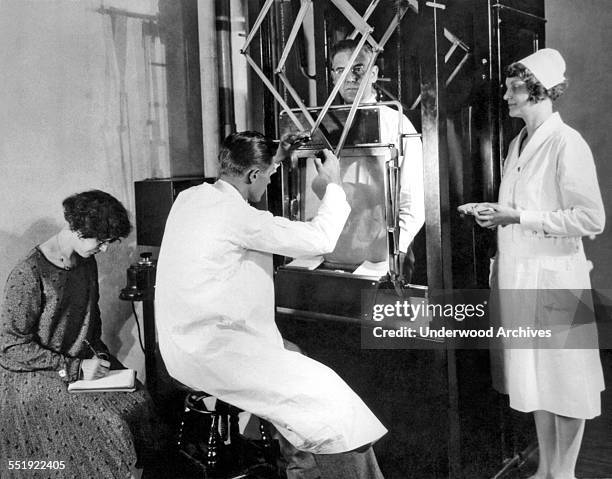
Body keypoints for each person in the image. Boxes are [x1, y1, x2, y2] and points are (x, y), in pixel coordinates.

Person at [155, 131, 387, 479]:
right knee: (335, 405)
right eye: (267, 175)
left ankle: (302, 471)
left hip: (183, 349)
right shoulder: (240, 217)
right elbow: (320, 240)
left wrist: (274, 157)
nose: (269, 180)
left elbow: (243, 192)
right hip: (218, 354)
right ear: (252, 175)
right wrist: (334, 186)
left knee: (297, 361)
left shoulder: (190, 198)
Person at [463, 48, 605, 479]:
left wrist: (517, 217)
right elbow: (521, 208)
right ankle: (546, 469)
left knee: (569, 383)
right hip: (522, 276)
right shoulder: (518, 143)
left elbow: (590, 218)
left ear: (540, 91)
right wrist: (495, 211)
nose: (505, 95)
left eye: (514, 88)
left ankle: (565, 474)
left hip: (558, 281)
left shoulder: (567, 142)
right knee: (537, 381)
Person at [0, 190, 160, 478]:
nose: (106, 249)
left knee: (140, 397)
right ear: (76, 229)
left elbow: (90, 322)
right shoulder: (29, 273)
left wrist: (97, 355)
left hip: (78, 362)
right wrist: (73, 368)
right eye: (102, 241)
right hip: (33, 373)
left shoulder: (86, 261)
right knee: (109, 422)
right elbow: (10, 348)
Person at [329, 39, 425, 279]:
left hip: (386, 252)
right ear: (332, 77)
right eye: (340, 70)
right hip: (338, 251)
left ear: (373, 74)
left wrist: (395, 253)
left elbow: (412, 202)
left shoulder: (397, 123)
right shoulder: (327, 125)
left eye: (358, 68)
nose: (349, 78)